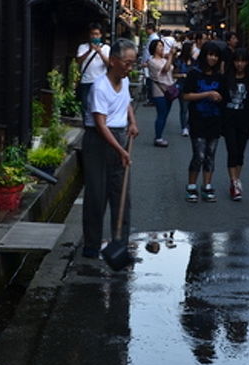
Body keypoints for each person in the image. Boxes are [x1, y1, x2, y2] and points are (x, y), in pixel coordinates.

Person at [81, 38, 139, 260]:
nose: (129, 67)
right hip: (99, 141)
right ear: (113, 61)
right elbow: (100, 124)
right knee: (97, 194)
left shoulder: (123, 81)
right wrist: (120, 150)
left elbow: (126, 103)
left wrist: (132, 122)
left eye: (132, 63)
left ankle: (120, 244)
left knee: (121, 194)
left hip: (120, 137)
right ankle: (92, 245)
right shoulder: (99, 86)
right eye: (126, 63)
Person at [182, 41, 228, 202]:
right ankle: (191, 186)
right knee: (199, 155)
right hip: (197, 120)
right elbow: (186, 95)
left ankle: (207, 186)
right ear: (204, 55)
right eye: (210, 54)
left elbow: (225, 98)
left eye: (216, 55)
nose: (213, 58)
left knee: (211, 155)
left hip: (215, 120)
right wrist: (207, 94)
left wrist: (219, 97)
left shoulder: (220, 77)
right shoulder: (195, 74)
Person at [222, 47, 249, 201]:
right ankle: (234, 183)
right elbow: (222, 102)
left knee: (240, 152)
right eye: (237, 61)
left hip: (244, 120)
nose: (240, 64)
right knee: (232, 150)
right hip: (229, 120)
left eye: (243, 61)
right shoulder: (227, 79)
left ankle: (236, 180)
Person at [147, 37, 178, 147]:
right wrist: (170, 57)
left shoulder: (164, 59)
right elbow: (165, 69)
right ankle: (158, 137)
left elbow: (170, 70)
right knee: (161, 114)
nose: (162, 48)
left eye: (162, 46)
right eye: (159, 46)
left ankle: (159, 135)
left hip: (169, 88)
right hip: (160, 91)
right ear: (154, 49)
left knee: (165, 115)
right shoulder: (152, 61)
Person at [76, 22, 109, 114]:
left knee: (99, 107)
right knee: (86, 107)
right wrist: (89, 51)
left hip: (101, 82)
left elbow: (109, 64)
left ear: (100, 35)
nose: (94, 36)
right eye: (92, 34)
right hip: (86, 81)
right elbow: (78, 61)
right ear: (89, 35)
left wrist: (100, 52)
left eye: (96, 34)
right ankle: (87, 126)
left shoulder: (106, 48)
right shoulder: (83, 47)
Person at [174, 40, 195, 136]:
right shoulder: (179, 61)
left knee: (192, 108)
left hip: (193, 87)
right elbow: (174, 74)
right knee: (184, 108)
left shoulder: (194, 61)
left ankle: (190, 126)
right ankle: (184, 127)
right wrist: (182, 75)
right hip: (182, 87)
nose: (193, 51)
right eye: (191, 49)